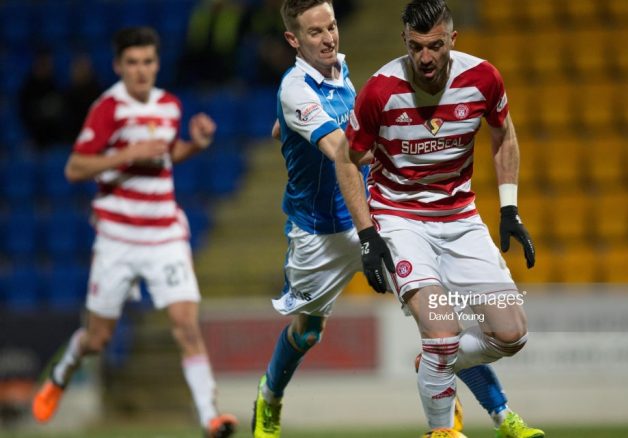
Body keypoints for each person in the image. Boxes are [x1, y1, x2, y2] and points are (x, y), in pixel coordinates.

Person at [255, 1, 543, 438]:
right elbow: (340, 150)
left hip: (377, 215)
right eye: (315, 33)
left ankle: (500, 414)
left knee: (442, 326)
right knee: (308, 333)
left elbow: (311, 130)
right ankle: (270, 396)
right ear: (294, 40)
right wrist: (395, 141)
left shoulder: (341, 72)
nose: (329, 37)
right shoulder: (296, 87)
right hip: (320, 234)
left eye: (331, 26)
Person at [31, 27, 238, 438]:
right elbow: (74, 168)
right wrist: (128, 153)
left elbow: (165, 156)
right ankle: (63, 369)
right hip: (118, 237)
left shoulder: (170, 105)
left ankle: (209, 417)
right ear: (118, 66)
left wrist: (194, 144)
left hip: (164, 233)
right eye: (132, 63)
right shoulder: (107, 108)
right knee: (97, 339)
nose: (141, 70)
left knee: (187, 326)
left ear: (157, 64)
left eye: (147, 62)